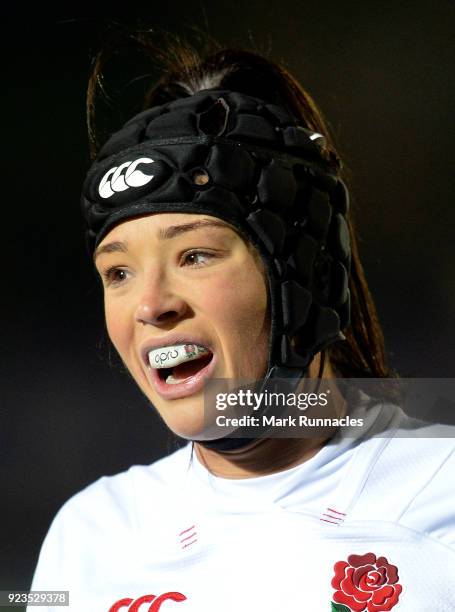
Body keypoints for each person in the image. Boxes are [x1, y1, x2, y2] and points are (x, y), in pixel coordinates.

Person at [29, 35, 455, 611]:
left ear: (307, 271)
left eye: (194, 256)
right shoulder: (89, 536)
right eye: (119, 272)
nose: (151, 306)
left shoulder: (441, 490)